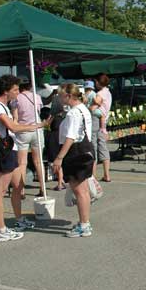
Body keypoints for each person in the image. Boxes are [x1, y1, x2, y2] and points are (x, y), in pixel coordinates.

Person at [0, 74, 50, 242]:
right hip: (5, 152)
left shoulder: (5, 105)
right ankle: (1, 230)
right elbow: (13, 127)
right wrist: (37, 125)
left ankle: (18, 219)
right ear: (6, 91)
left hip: (12, 149)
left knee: (18, 185)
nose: (18, 92)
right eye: (15, 89)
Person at [52, 84, 95, 238]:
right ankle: (84, 222)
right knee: (82, 191)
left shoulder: (73, 113)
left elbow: (70, 137)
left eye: (61, 95)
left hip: (76, 152)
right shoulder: (83, 109)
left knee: (80, 191)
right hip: (85, 149)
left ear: (69, 96)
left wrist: (59, 157)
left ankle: (84, 225)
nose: (59, 97)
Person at [14, 79, 47, 197]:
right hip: (37, 129)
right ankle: (43, 188)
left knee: (22, 163)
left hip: (23, 130)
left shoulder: (16, 98)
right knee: (38, 161)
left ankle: (21, 190)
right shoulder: (37, 96)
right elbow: (39, 111)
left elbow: (15, 118)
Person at [95, 73, 113, 182]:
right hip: (105, 119)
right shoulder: (108, 92)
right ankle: (106, 174)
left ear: (98, 82)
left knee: (98, 147)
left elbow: (96, 103)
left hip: (99, 120)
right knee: (103, 148)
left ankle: (100, 175)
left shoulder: (100, 93)